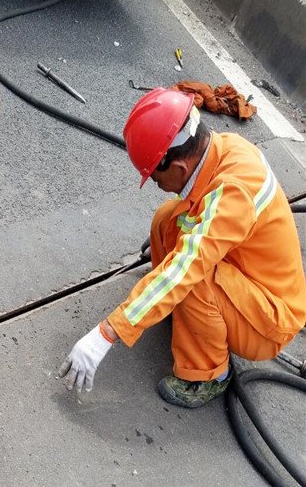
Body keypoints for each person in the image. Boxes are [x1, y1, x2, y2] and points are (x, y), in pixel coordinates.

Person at [58, 88, 306, 408]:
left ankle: (208, 375)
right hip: (248, 280)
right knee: (167, 218)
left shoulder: (233, 191)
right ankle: (180, 311)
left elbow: (185, 269)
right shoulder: (223, 150)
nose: (157, 184)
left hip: (270, 321)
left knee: (191, 278)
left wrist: (106, 333)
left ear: (178, 168)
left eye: (157, 177)